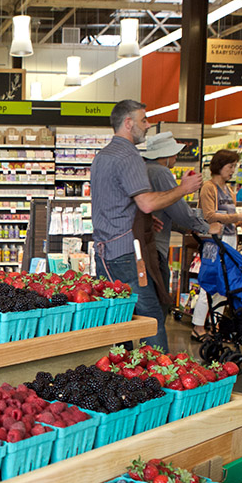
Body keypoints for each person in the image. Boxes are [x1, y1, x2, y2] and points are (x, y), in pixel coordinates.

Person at [91, 100, 202, 351]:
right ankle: (157, 379)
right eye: (143, 120)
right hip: (127, 253)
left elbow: (109, 202)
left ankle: (121, 375)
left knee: (117, 317)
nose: (148, 124)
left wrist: (139, 218)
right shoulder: (129, 155)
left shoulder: (103, 156)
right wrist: (183, 188)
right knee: (150, 317)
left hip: (105, 252)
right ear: (128, 123)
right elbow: (148, 202)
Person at [191, 149, 242, 341]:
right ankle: (198, 326)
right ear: (219, 166)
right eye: (230, 166)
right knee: (210, 282)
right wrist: (237, 216)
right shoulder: (209, 188)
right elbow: (209, 215)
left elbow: (227, 217)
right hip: (214, 242)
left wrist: (239, 223)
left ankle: (214, 325)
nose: (233, 170)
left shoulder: (229, 190)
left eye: (234, 166)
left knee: (225, 284)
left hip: (230, 239)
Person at [141, 132, 209, 298]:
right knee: (160, 298)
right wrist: (205, 227)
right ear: (165, 155)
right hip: (155, 244)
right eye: (174, 153)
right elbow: (177, 210)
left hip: (140, 242)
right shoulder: (161, 173)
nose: (176, 157)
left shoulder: (142, 169)